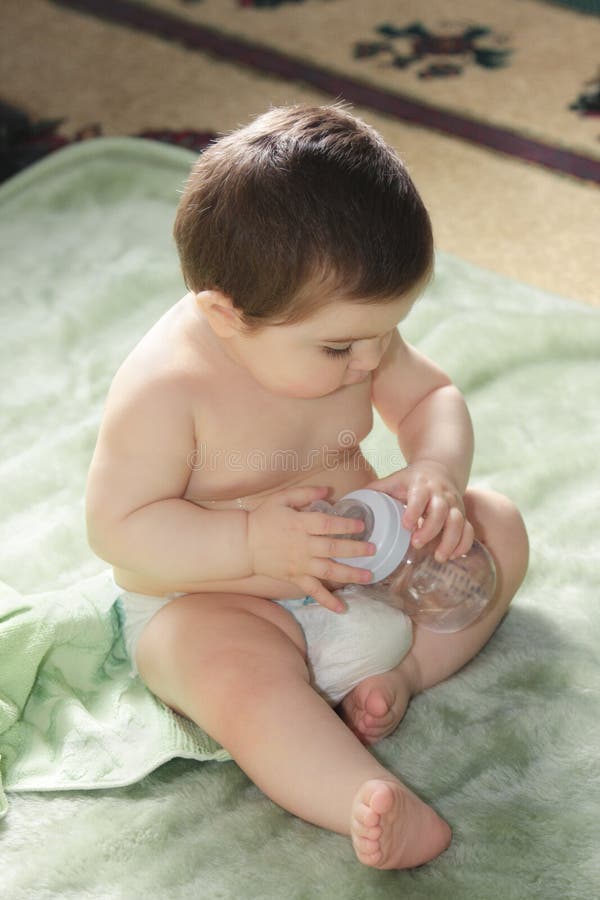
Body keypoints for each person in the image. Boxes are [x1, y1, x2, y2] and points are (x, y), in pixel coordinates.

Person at [85, 104, 529, 870]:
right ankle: (360, 794)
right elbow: (120, 531)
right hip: (225, 598)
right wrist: (250, 540)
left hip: (373, 562)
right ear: (225, 316)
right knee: (230, 675)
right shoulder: (167, 389)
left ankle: (404, 674)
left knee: (499, 522)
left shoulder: (351, 332)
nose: (368, 363)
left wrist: (434, 474)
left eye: (384, 335)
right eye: (339, 348)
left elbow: (431, 400)